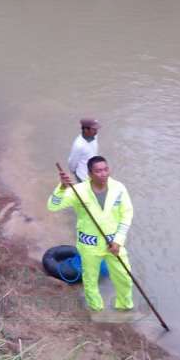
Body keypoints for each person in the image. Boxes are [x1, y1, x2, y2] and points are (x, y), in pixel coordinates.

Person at [47, 156, 134, 314]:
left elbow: (127, 214)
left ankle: (124, 305)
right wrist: (61, 187)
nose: (103, 174)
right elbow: (53, 206)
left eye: (105, 169)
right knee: (90, 279)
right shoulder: (78, 191)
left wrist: (119, 241)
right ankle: (96, 308)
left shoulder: (119, 188)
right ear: (89, 174)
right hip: (89, 244)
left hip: (114, 244)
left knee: (124, 276)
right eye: (98, 171)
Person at [68, 117, 100, 183]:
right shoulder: (78, 145)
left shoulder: (94, 136)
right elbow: (72, 163)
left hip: (93, 174)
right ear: (86, 130)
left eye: (96, 129)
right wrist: (75, 173)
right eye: (94, 129)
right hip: (83, 177)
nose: (96, 132)